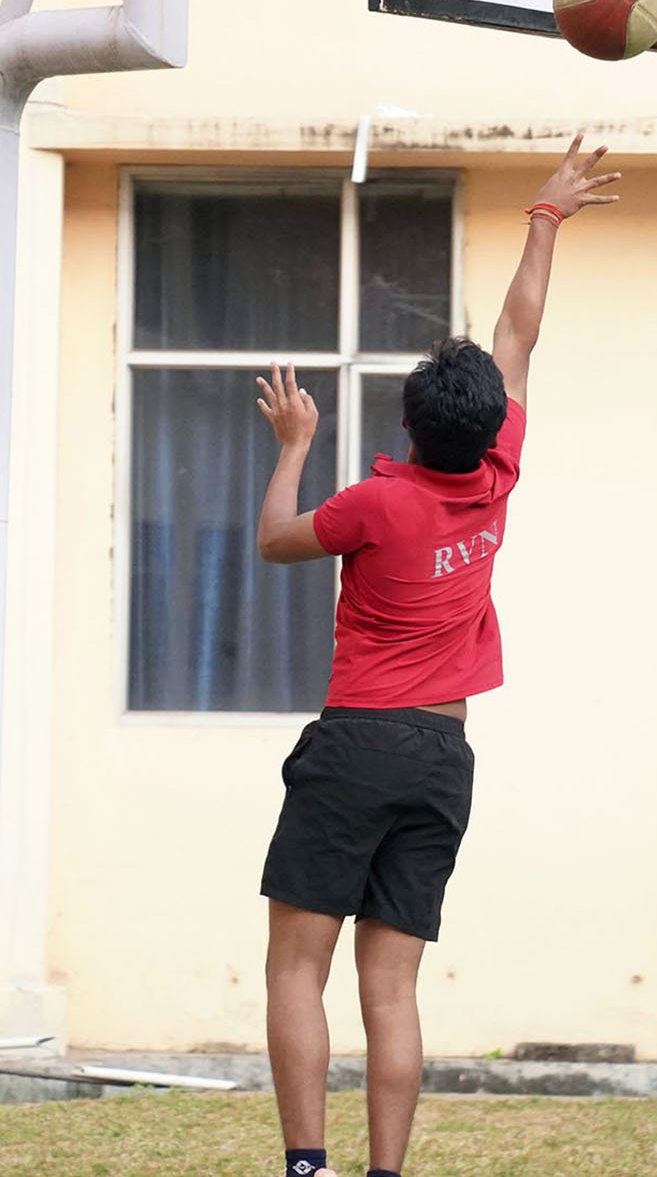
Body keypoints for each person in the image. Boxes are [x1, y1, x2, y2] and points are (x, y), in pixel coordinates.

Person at [254, 136, 621, 1177]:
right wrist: (544, 216)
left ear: (406, 425)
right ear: (484, 427)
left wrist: (291, 446)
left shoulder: (379, 502)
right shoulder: (495, 473)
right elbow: (519, 331)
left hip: (361, 742)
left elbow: (276, 541)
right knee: (393, 987)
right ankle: (384, 1174)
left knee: (296, 964)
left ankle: (308, 1169)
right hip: (444, 759)